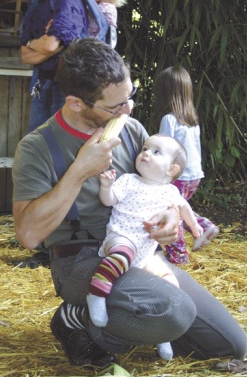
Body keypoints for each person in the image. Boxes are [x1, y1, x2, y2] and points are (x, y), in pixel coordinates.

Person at [12, 38, 247, 369]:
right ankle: (76, 318)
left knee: (230, 345)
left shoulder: (133, 130)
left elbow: (158, 186)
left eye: (130, 97)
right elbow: (28, 235)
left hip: (140, 252)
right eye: (115, 106)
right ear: (76, 103)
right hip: (80, 257)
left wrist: (169, 218)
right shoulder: (37, 147)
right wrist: (80, 171)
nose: (128, 110)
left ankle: (129, 319)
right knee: (173, 311)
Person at [87, 133, 204, 360]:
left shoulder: (171, 191)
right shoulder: (129, 180)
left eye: (156, 152)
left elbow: (184, 208)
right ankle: (96, 294)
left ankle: (162, 334)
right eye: (145, 148)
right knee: (122, 255)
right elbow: (109, 199)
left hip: (146, 251)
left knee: (170, 282)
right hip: (121, 238)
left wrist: (194, 226)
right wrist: (106, 185)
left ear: (172, 170)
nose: (145, 153)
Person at [19, 0, 88, 132]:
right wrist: (43, 44)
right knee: (36, 148)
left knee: (61, 152)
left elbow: (49, 45)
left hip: (66, 88)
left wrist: (44, 44)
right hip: (41, 85)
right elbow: (25, 54)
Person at [152, 66, 220, 264]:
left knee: (172, 211)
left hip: (178, 175)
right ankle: (203, 226)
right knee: (179, 207)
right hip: (194, 174)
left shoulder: (170, 120)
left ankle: (178, 254)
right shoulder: (192, 120)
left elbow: (164, 148)